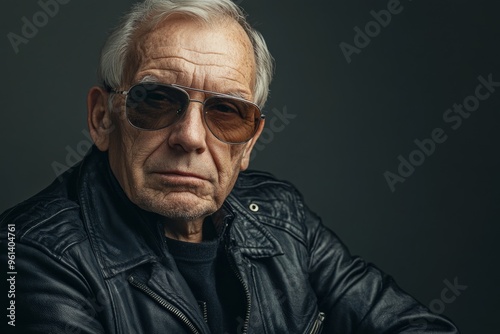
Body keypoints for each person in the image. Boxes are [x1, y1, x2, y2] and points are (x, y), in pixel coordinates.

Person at [0, 0, 460, 333]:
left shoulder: (281, 218)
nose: (191, 137)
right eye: (156, 100)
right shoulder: (30, 253)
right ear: (103, 118)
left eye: (226, 112)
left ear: (250, 142)